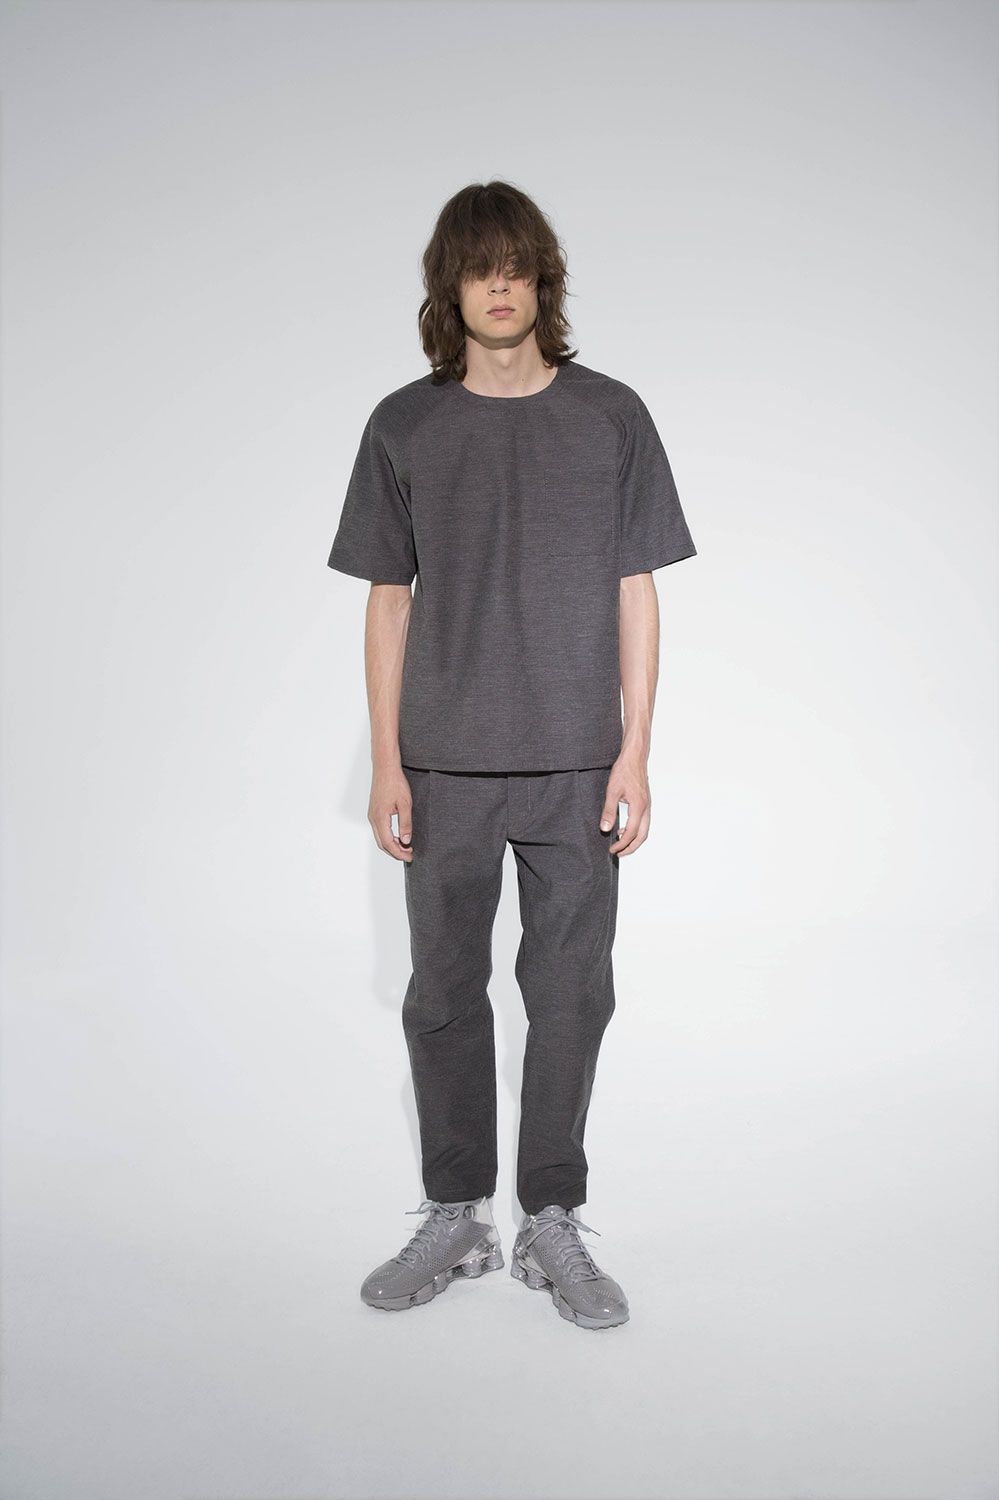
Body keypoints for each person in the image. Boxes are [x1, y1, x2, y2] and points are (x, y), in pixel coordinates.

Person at [326, 180, 697, 1331]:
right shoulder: (405, 424)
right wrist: (387, 764)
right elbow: (388, 601)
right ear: (449, 285)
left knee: (571, 995)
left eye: (516, 265)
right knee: (442, 995)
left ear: (543, 279)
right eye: (477, 267)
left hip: (576, 763)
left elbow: (635, 588)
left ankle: (550, 1219)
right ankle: (456, 1213)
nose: (498, 286)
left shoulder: (610, 416)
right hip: (441, 763)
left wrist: (634, 751)